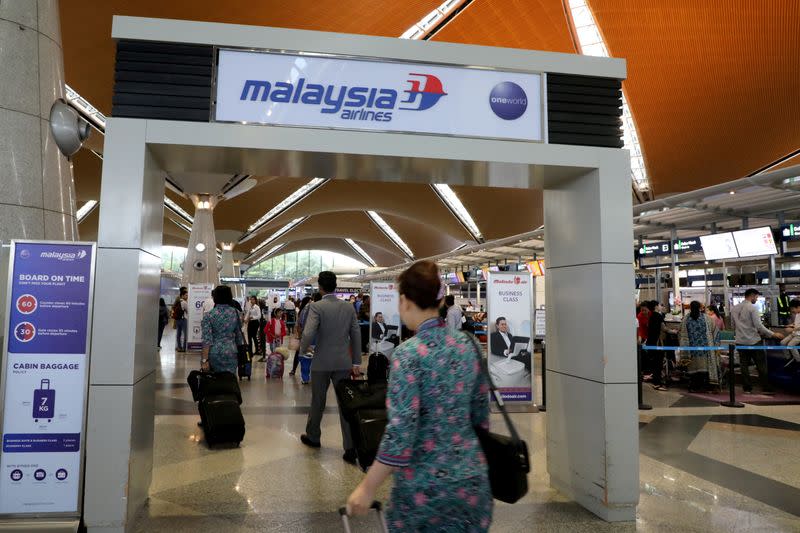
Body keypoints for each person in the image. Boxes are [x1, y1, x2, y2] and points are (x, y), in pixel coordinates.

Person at [346, 260, 492, 531]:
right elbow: (482, 416)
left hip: (425, 492)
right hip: (472, 482)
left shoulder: (408, 354)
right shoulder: (468, 345)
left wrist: (367, 487)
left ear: (404, 301)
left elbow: (401, 434)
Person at [299, 272, 362, 464]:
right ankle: (350, 447)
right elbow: (356, 333)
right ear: (336, 286)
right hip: (343, 362)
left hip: (321, 363)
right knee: (345, 404)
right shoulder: (348, 307)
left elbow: (309, 332)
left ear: (320, 287)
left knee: (318, 400)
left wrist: (302, 349)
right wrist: (357, 362)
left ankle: (313, 436)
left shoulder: (316, 307)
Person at [731, 288, 783, 395]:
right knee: (761, 364)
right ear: (752, 295)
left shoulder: (734, 308)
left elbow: (733, 325)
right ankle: (765, 386)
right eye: (756, 297)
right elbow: (759, 326)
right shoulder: (752, 308)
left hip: (740, 341)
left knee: (744, 365)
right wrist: (773, 334)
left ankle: (747, 388)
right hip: (754, 341)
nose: (757, 299)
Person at [200, 286, 243, 375]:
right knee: (230, 380)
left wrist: (204, 360)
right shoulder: (236, 313)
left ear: (215, 297)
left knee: (215, 381)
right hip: (231, 351)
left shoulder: (209, 315)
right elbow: (239, 336)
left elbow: (206, 340)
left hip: (214, 353)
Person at [679, 301, 720, 392]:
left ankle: (693, 387)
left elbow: (680, 333)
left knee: (693, 369)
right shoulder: (707, 318)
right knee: (704, 368)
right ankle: (704, 386)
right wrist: (716, 345)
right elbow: (716, 331)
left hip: (691, 350)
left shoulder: (686, 319)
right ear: (700, 308)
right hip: (705, 349)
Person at [645, 301, 677, 390]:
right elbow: (664, 328)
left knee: (655, 363)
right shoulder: (658, 316)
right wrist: (674, 331)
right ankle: (657, 383)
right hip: (658, 343)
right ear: (656, 306)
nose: (660, 306)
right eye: (659, 305)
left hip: (652, 342)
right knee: (658, 363)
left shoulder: (651, 316)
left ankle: (655, 381)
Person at [289, 294, 319, 376]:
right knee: (300, 353)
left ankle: (295, 370)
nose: (311, 303)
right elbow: (298, 324)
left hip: (304, 335)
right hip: (303, 335)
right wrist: (300, 334)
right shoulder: (303, 311)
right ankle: (294, 369)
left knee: (303, 353)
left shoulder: (304, 310)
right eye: (309, 301)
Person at [780, 299, 800, 368]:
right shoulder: (797, 314)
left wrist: (791, 329)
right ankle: (788, 357)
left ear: (798, 307)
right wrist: (790, 325)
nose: (792, 311)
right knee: (782, 342)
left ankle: (798, 361)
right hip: (794, 333)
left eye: (792, 309)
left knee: (790, 345)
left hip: (799, 335)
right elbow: (796, 323)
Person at [173, 287, 188, 352]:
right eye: (186, 295)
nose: (187, 296)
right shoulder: (184, 302)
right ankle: (184, 348)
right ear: (182, 295)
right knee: (185, 334)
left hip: (177, 319)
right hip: (183, 319)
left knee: (178, 334)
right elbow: (188, 310)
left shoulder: (178, 300)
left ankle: (179, 347)